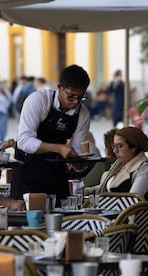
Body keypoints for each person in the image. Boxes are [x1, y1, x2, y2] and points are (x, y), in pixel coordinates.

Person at [11, 64, 91, 203]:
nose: (75, 102)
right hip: (27, 171)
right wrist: (58, 148)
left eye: (80, 97)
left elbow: (78, 149)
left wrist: (78, 162)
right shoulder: (39, 100)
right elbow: (23, 141)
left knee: (61, 220)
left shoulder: (82, 114)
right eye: (71, 96)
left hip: (56, 173)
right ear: (59, 87)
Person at [84, 127, 148, 198]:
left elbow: (133, 199)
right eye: (114, 146)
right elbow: (106, 188)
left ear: (134, 147)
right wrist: (90, 190)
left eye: (120, 146)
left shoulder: (145, 169)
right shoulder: (120, 164)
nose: (115, 151)